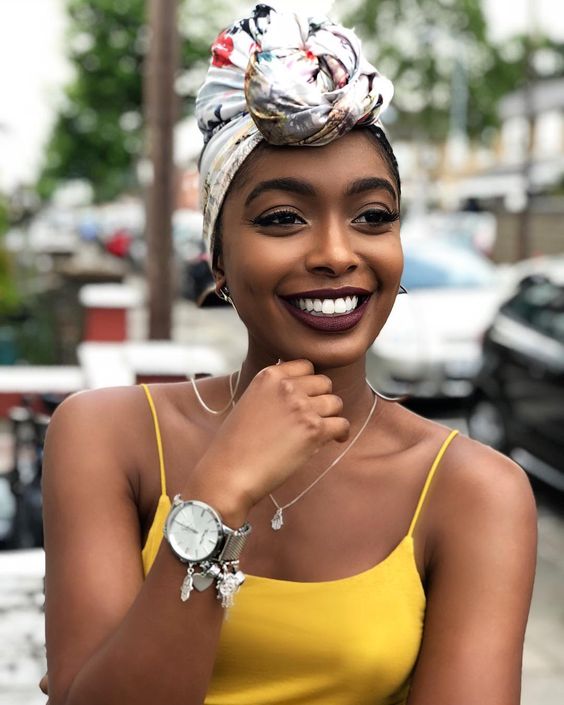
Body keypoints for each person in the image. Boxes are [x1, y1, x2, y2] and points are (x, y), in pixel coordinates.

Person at [41, 4, 537, 705]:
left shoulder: (474, 492)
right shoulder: (105, 437)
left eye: (373, 216)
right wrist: (217, 495)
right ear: (216, 258)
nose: (338, 253)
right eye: (282, 218)